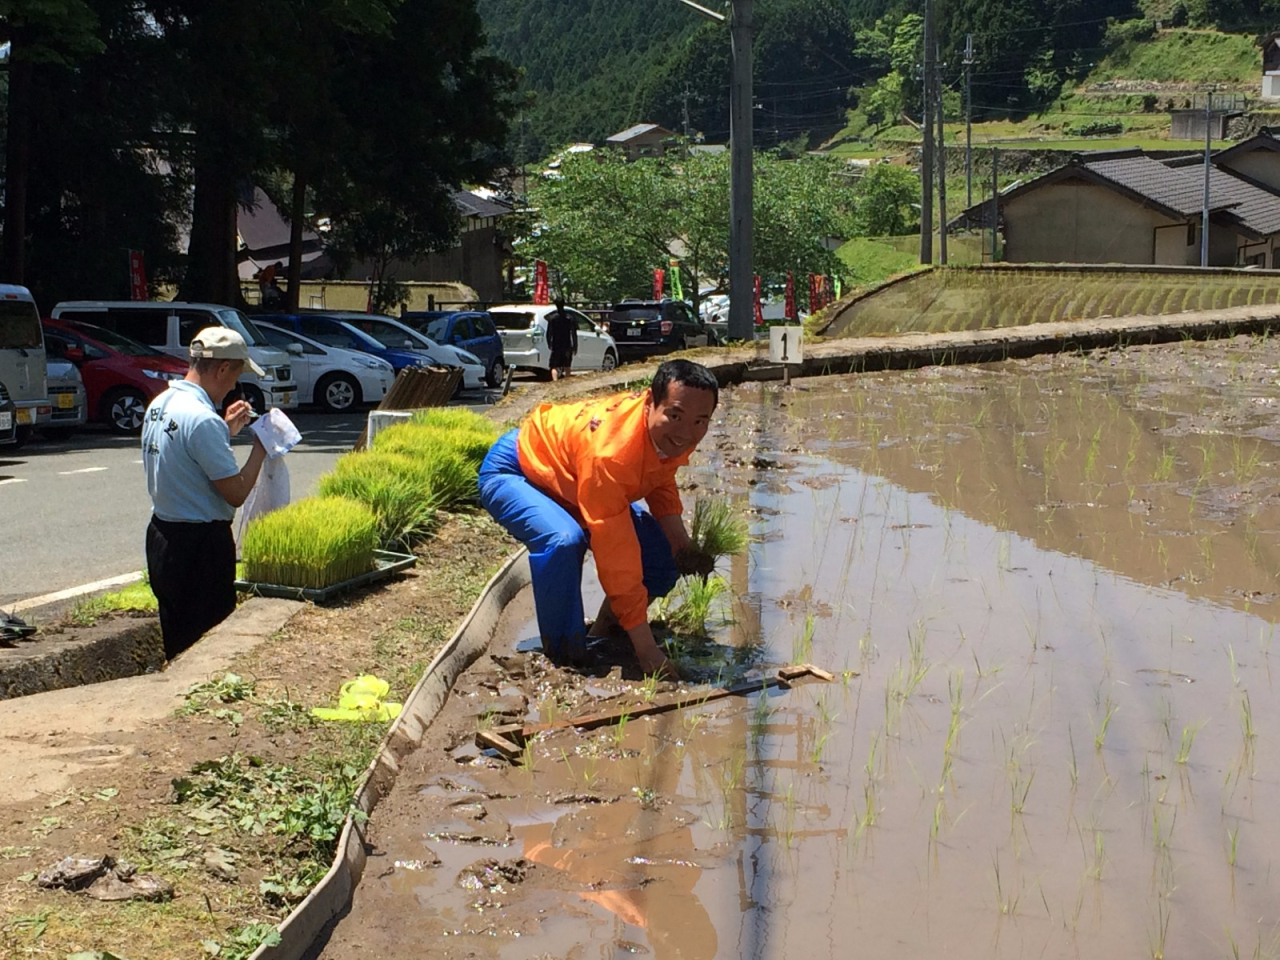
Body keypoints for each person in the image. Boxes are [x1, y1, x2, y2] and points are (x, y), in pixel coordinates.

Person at [478, 358, 719, 678]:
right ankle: (564, 656)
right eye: (675, 416)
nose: (686, 433)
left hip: (576, 480)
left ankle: (607, 630)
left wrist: (682, 546)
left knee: (661, 559)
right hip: (518, 469)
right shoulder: (613, 455)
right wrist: (647, 651)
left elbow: (660, 480)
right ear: (650, 403)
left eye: (700, 422)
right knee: (563, 541)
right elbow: (617, 557)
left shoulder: (667, 436)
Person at [141, 327, 269, 660]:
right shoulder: (203, 420)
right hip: (200, 545)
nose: (234, 387)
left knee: (177, 637)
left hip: (163, 535)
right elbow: (236, 493)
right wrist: (262, 447)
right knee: (206, 646)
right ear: (223, 369)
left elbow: (185, 456)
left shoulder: (161, 403)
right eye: (236, 376)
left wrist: (224, 431)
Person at [546, 297, 577, 381]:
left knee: (554, 366)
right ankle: (567, 382)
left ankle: (555, 382)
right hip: (567, 344)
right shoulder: (569, 317)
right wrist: (575, 345)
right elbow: (573, 333)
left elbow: (549, 333)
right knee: (567, 365)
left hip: (556, 345)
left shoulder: (552, 318)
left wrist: (549, 343)